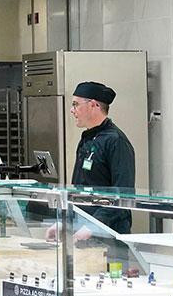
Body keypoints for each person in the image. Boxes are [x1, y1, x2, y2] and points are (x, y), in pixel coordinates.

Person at [46, 82, 136, 241]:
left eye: (76, 105)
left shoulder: (116, 141)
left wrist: (93, 226)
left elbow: (122, 195)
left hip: (109, 235)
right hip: (83, 232)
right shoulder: (87, 139)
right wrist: (64, 221)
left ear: (94, 105)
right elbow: (78, 190)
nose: (72, 110)